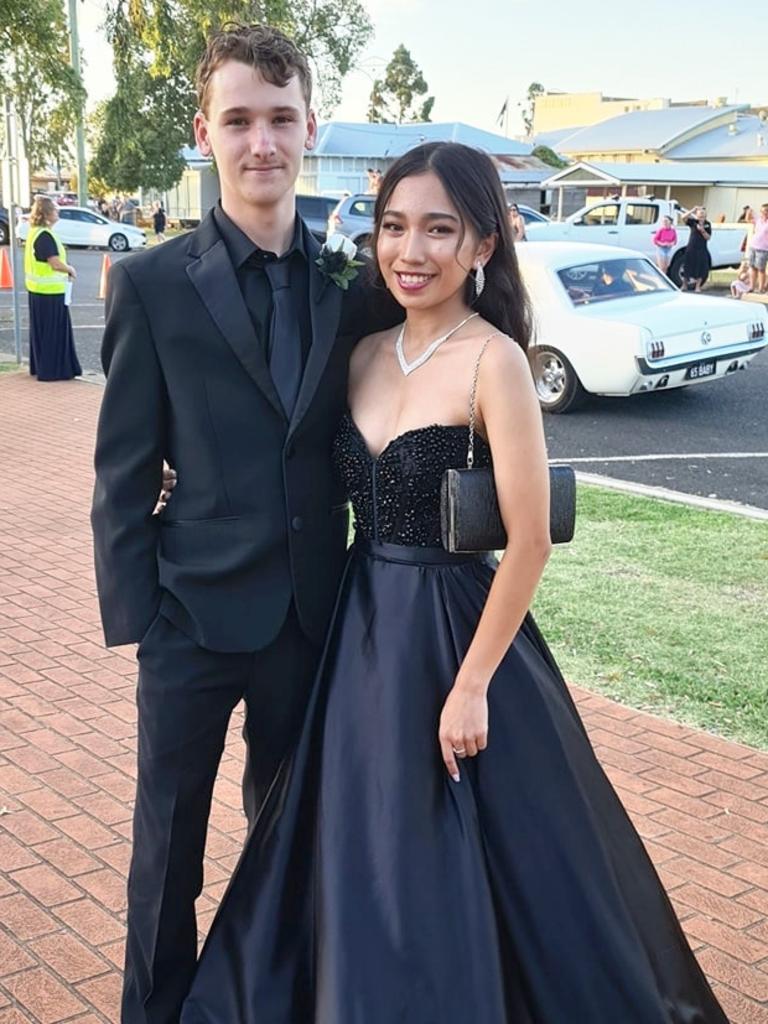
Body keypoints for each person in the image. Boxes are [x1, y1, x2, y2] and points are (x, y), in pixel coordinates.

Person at [180, 142, 728, 1024]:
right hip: (359, 635)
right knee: (361, 840)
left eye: (440, 229)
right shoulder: (359, 353)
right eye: (395, 226)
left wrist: (472, 684)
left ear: (482, 244)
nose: (412, 250)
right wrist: (183, 479)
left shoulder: (495, 361)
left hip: (453, 633)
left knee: (477, 856)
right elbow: (283, 461)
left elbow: (530, 539)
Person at [90, 24, 398, 1024]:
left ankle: (275, 1002)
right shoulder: (150, 284)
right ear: (206, 132)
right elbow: (123, 469)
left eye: (279, 118)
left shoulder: (353, 284)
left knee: (293, 839)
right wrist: (140, 620)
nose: (260, 141)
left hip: (312, 619)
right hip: (189, 620)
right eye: (238, 120)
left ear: (310, 125)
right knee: (165, 855)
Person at [23, 196, 82, 381]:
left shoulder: (35, 232)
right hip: (50, 291)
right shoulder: (45, 236)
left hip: (38, 290)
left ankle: (41, 365)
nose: (58, 213)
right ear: (46, 214)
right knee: (54, 332)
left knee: (41, 332)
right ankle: (53, 369)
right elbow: (54, 263)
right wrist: (70, 269)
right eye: (55, 210)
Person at [680, 205, 711, 291]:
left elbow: (708, 237)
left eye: (703, 214)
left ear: (705, 215)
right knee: (688, 265)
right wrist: (693, 210)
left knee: (701, 267)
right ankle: (684, 285)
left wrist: (702, 230)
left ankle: (697, 286)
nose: (701, 216)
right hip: (691, 247)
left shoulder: (707, 224)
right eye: (700, 214)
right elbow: (683, 217)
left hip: (702, 248)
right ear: (697, 215)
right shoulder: (693, 222)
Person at [747, 202, 768, 294]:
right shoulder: (758, 220)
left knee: (761, 269)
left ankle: (761, 288)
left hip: (763, 248)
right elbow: (748, 219)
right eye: (762, 211)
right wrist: (749, 212)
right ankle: (751, 286)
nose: (764, 213)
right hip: (753, 246)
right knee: (752, 267)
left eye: (766, 211)